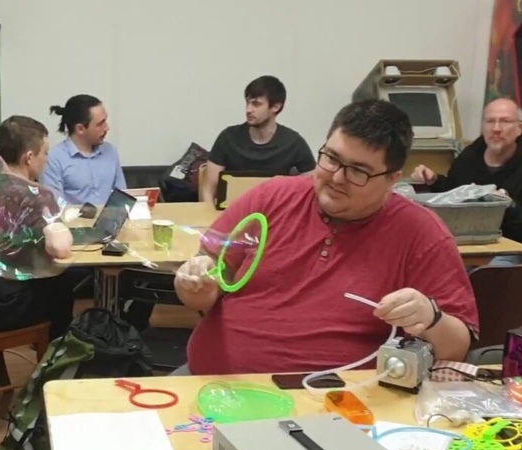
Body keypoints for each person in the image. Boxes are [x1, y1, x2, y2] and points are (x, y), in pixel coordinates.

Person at [172, 99, 479, 376]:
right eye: (331, 158)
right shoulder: (271, 198)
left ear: (391, 180)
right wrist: (194, 285)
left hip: (338, 404)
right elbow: (205, 286)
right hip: (212, 383)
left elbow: (456, 348)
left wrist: (431, 317)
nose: (336, 178)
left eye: (358, 171)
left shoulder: (421, 233)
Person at [0, 115, 76, 341]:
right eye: (45, 153)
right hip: (6, 309)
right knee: (62, 284)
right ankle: (57, 361)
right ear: (29, 157)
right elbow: (60, 249)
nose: (47, 160)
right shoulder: (32, 196)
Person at [412, 97, 522, 265]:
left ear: (519, 128)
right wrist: (433, 180)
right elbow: (454, 192)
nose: (496, 128)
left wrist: (510, 205)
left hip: (511, 248)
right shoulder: (469, 158)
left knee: (491, 274)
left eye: (505, 122)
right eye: (490, 121)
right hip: (467, 245)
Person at [200, 76, 316, 202]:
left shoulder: (293, 142)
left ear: (275, 107)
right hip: (232, 212)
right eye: (248, 102)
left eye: (256, 104)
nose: (248, 109)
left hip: (274, 213)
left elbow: (313, 185)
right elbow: (208, 190)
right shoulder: (228, 137)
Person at [41, 94, 126, 205]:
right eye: (100, 124)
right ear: (80, 129)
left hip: (110, 220)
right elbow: (55, 206)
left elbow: (123, 196)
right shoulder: (53, 159)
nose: (107, 128)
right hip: (73, 221)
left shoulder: (110, 151)